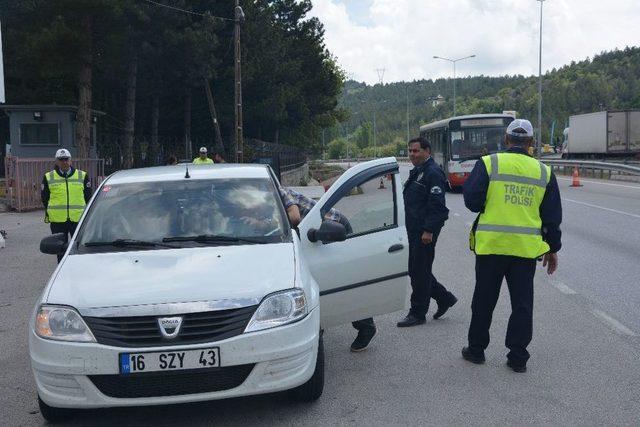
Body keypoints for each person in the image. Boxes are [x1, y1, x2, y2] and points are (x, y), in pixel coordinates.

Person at [461, 119, 562, 373]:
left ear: (506, 140)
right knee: (522, 305)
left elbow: (471, 201)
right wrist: (553, 248)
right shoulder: (543, 172)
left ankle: (476, 351)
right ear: (530, 143)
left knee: (483, 301)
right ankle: (518, 358)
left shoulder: (489, 163)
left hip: (491, 247)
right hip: (524, 251)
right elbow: (551, 216)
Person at [279, 186, 377, 352]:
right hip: (312, 234)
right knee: (315, 281)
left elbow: (294, 217)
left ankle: (366, 326)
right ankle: (318, 328)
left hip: (334, 226)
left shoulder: (278, 190)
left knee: (340, 280)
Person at [397, 137, 458, 327]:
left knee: (419, 271)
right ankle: (444, 297)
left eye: (416, 151)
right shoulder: (418, 171)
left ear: (427, 151)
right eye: (410, 151)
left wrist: (429, 230)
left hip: (424, 231)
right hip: (414, 229)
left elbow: (437, 205)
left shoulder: (433, 172)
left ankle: (418, 313)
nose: (412, 154)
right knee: (417, 269)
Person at [41, 149, 92, 262]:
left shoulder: (82, 175)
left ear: (70, 160)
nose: (64, 162)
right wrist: (51, 212)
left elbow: (88, 197)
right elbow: (45, 198)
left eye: (66, 159)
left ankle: (78, 267)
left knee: (79, 247)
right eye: (61, 159)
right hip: (58, 220)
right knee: (59, 248)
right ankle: (62, 269)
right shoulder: (49, 177)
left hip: (78, 218)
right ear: (56, 161)